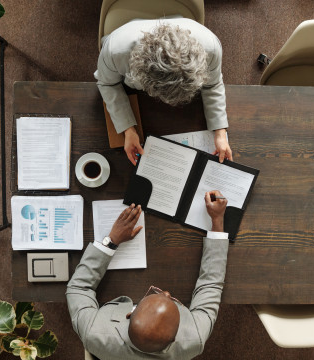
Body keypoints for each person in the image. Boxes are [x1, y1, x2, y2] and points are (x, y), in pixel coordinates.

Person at [66, 190, 230, 359]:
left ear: (129, 314)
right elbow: (211, 284)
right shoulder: (194, 337)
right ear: (175, 338)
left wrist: (111, 241)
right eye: (170, 299)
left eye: (156, 295)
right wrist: (217, 221)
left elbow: (78, 287)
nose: (166, 293)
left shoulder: (94, 333)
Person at [95, 17, 232, 165]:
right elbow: (107, 83)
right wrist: (128, 129)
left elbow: (212, 84)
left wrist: (220, 132)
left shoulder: (211, 48)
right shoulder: (115, 51)